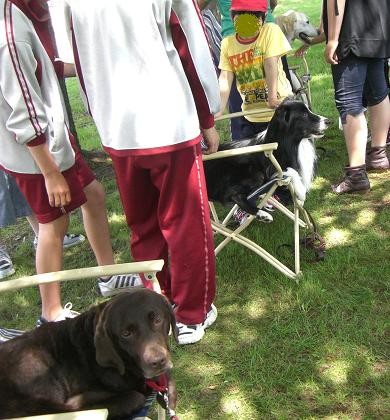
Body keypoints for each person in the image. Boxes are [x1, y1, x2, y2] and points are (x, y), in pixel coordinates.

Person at [63, 0, 220, 345]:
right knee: (185, 222)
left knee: (144, 223)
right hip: (169, 121)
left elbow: (84, 62)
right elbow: (190, 44)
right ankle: (191, 313)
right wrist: (207, 115)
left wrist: (101, 115)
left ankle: (157, 304)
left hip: (119, 124)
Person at [0, 0, 141, 326]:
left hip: (54, 136)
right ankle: (50, 312)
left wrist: (89, 65)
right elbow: (24, 110)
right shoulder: (10, 32)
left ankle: (109, 275)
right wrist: (50, 173)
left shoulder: (30, 12)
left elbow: (45, 67)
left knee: (93, 194)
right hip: (34, 152)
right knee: (54, 224)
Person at [323, 0, 390, 194]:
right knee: (378, 93)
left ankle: (356, 175)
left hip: (351, 33)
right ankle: (378, 155)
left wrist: (333, 39)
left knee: (349, 102)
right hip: (378, 29)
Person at [217, 0, 293, 139]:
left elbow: (270, 64)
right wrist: (219, 109)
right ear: (232, 15)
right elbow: (225, 78)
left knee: (282, 152)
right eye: (241, 15)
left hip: (279, 109)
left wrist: (272, 98)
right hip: (251, 113)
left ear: (263, 18)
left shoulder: (271, 31)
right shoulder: (228, 44)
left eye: (253, 16)